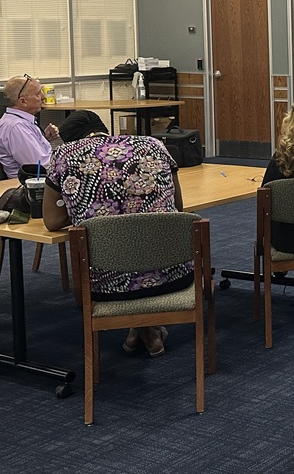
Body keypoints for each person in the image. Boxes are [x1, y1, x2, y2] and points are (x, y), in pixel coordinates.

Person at [42, 110, 186, 357]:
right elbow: (178, 206)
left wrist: (81, 203)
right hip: (171, 271)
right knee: (138, 246)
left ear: (71, 139)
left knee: (122, 256)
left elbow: (52, 221)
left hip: (106, 281)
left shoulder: (63, 155)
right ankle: (145, 329)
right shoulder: (154, 144)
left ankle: (142, 328)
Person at [0, 74, 61, 178]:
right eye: (38, 94)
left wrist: (44, 138)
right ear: (23, 101)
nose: (43, 97)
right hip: (30, 185)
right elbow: (40, 166)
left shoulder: (18, 121)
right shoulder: (16, 127)